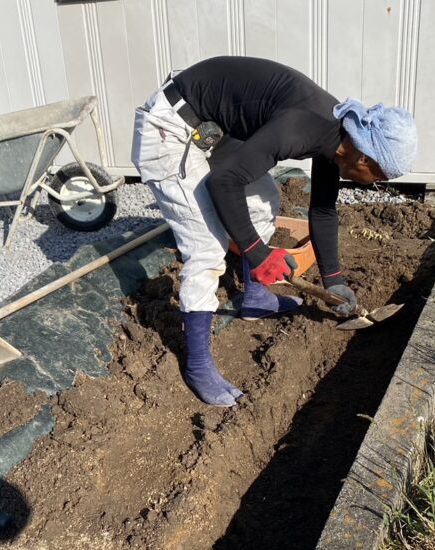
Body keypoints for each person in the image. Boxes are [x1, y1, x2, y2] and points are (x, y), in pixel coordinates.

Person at [131, 56, 417, 407]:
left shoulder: (338, 138)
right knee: (206, 246)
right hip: (170, 128)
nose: (374, 186)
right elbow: (224, 183)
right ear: (364, 160)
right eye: (379, 180)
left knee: (264, 199)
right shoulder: (306, 127)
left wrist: (334, 279)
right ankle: (199, 366)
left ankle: (255, 297)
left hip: (210, 130)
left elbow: (323, 210)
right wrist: (256, 252)